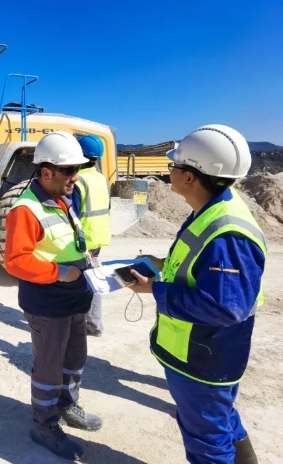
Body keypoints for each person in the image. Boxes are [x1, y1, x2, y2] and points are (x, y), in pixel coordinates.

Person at [128, 124, 265, 464]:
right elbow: (202, 269)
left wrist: (154, 289)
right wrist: (162, 264)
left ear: (190, 177)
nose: (169, 170)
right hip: (204, 353)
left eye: (174, 165)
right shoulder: (212, 207)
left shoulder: (228, 235)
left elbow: (224, 307)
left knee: (208, 443)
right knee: (221, 420)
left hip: (204, 358)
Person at [4, 131, 103, 461]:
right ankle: (44, 425)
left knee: (74, 359)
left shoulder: (62, 198)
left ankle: (66, 405)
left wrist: (87, 259)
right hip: (48, 304)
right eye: (69, 170)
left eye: (78, 169)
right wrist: (59, 272)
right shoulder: (25, 209)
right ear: (46, 172)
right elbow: (16, 260)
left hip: (74, 299)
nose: (76, 177)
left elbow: (64, 240)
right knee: (49, 368)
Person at [73, 134, 112, 337]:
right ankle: (91, 322)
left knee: (84, 280)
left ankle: (93, 324)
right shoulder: (102, 179)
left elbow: (72, 214)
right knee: (91, 277)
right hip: (98, 236)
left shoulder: (78, 181)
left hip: (84, 239)